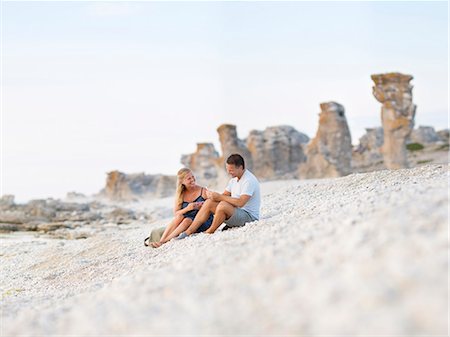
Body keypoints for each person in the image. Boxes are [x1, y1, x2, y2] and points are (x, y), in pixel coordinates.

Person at [178, 153, 260, 238]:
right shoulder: (234, 180)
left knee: (223, 205)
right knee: (210, 202)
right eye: (227, 169)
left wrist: (219, 197)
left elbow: (241, 202)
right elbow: (224, 195)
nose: (228, 172)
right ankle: (188, 232)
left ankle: (210, 231)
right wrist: (212, 196)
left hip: (249, 217)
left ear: (240, 167)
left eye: (231, 170)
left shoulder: (248, 180)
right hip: (236, 212)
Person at [144, 168, 213, 248]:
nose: (192, 179)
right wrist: (188, 208)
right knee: (180, 216)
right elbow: (176, 213)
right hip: (186, 220)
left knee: (186, 220)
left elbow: (211, 206)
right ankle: (162, 241)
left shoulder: (203, 191)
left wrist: (203, 206)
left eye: (192, 177)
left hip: (202, 221)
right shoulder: (181, 194)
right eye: (189, 178)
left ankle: (163, 242)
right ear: (182, 182)